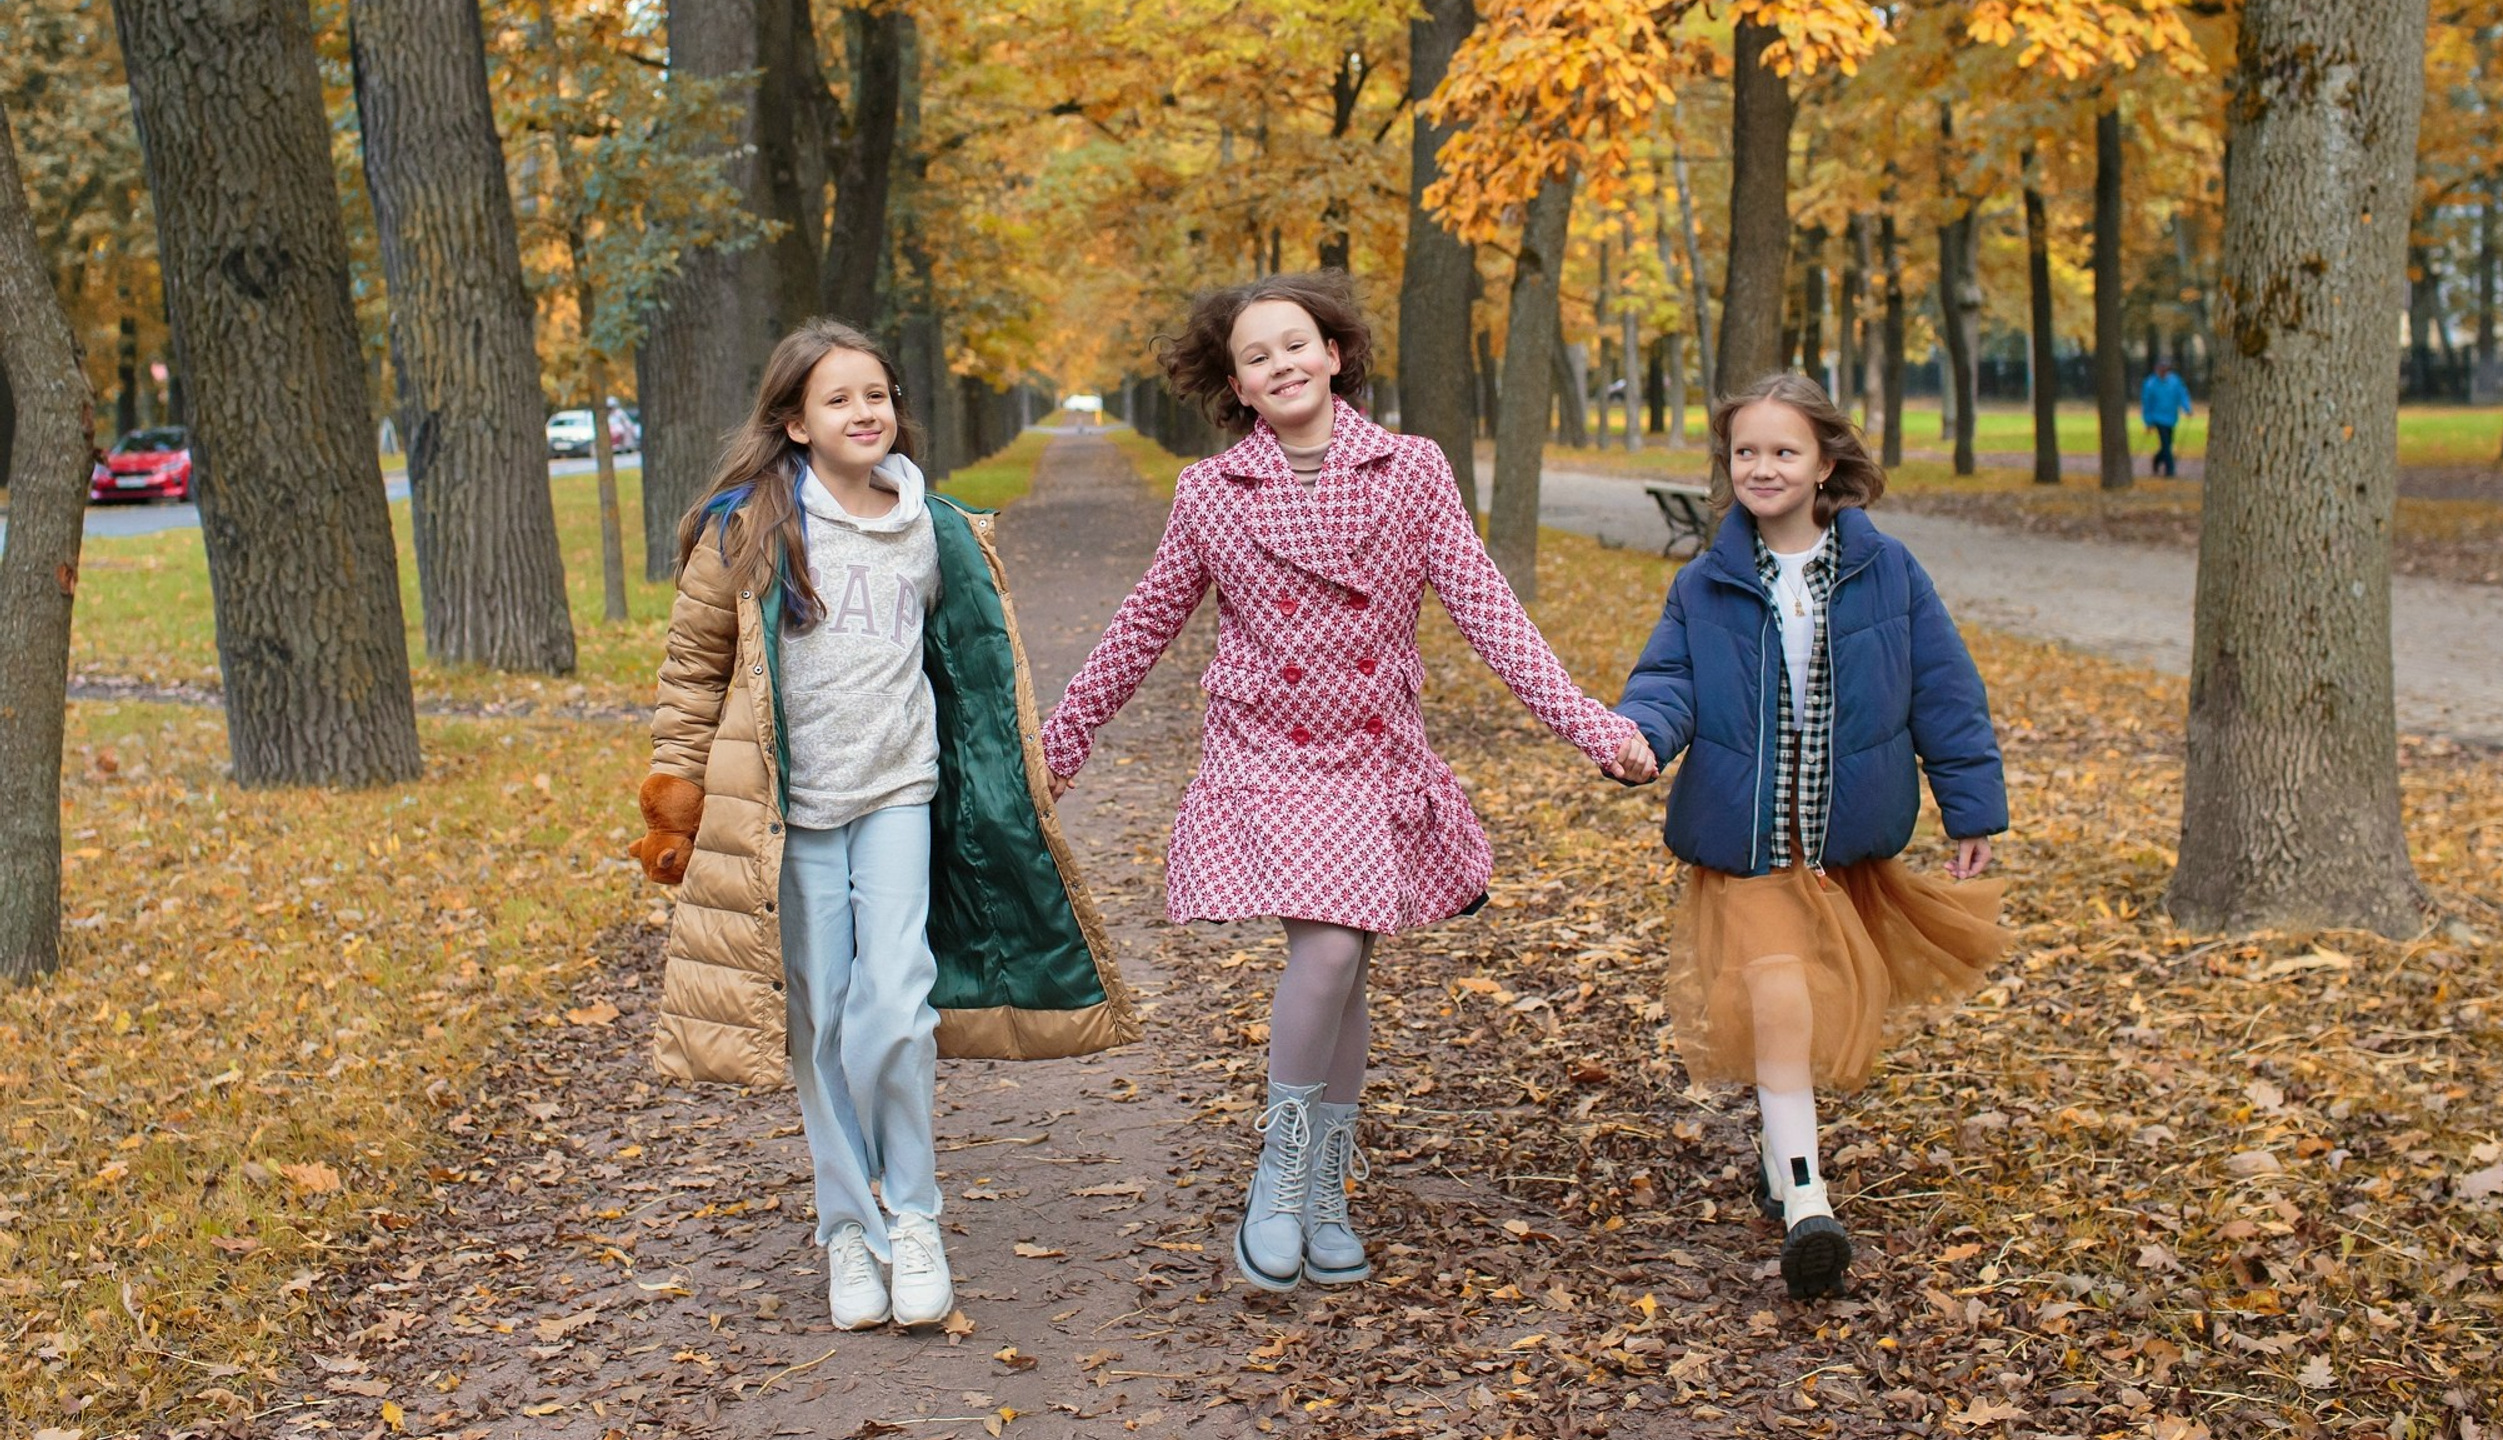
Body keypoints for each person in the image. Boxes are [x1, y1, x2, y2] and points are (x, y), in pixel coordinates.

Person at [1038, 271, 1654, 1293]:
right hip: (1267, 752)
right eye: (1255, 355)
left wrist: (1593, 729)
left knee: (1348, 967)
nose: (1279, 363)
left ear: (1334, 354)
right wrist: (1058, 746)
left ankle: (1325, 1186)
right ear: (1234, 386)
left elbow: (1488, 613)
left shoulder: (1412, 471)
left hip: (1372, 756)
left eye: (1295, 343)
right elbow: (1143, 624)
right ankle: (1279, 1173)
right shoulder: (1210, 495)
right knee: (1327, 950)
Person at [630, 319, 1135, 1333]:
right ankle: (846, 1233)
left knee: (896, 1010)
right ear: (793, 422)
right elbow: (693, 673)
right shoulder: (747, 529)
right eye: (838, 399)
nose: (864, 412)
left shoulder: (935, 528)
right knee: (818, 1023)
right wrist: (675, 789)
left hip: (900, 792)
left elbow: (974, 667)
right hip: (794, 814)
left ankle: (914, 1217)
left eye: (877, 394)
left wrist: (1014, 776)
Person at [1615, 372, 2009, 1300]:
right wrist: (1640, 738)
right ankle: (1807, 1203)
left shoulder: (1888, 571)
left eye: (1783, 451)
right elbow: (1668, 681)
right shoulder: (1706, 582)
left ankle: (1782, 1150)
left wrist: (1972, 806)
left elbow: (1944, 691)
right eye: (1745, 451)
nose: (1762, 467)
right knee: (1781, 1000)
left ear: (1825, 462)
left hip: (1838, 843)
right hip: (1744, 844)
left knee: (1812, 1002)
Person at [2140, 358, 2194, 477]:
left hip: (2171, 418)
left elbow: (2182, 395)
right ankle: (2170, 471)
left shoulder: (2175, 381)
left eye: (2166, 369)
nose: (2164, 371)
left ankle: (2157, 459)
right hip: (2158, 418)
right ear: (2157, 369)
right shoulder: (2150, 384)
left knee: (2167, 444)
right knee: (2166, 444)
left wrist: (2187, 409)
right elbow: (2146, 404)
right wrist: (2148, 422)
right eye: (2162, 369)